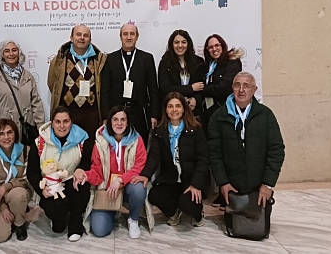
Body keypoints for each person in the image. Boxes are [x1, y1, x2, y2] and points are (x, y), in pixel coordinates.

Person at [208, 72, 285, 210]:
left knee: (259, 228)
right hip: (231, 188)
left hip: (259, 186)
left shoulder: (266, 115)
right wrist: (223, 183)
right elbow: (214, 153)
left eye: (246, 86)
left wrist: (267, 184)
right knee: (234, 227)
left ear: (254, 90)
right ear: (232, 88)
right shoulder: (218, 117)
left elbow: (276, 150)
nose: (241, 90)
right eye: (237, 85)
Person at [132, 92, 210, 227]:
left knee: (188, 204)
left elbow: (203, 159)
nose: (174, 110)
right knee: (154, 195)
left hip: (191, 179)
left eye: (178, 106)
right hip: (171, 179)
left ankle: (198, 214)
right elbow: (154, 156)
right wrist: (145, 175)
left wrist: (196, 184)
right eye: (170, 106)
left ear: (184, 108)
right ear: (165, 109)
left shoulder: (195, 129)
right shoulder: (159, 131)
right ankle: (173, 212)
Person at [74, 106, 152, 239]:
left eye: (123, 119)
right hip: (107, 190)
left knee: (139, 188)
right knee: (99, 230)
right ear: (109, 122)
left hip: (128, 186)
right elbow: (97, 172)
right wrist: (86, 176)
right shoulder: (100, 141)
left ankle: (133, 219)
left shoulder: (137, 139)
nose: (119, 123)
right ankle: (114, 210)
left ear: (128, 122)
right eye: (115, 119)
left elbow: (139, 166)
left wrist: (120, 180)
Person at [27, 106, 92, 242]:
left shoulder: (82, 139)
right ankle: (58, 219)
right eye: (57, 122)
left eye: (66, 121)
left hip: (71, 180)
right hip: (50, 185)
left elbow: (87, 161)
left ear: (71, 122)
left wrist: (81, 169)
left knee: (82, 187)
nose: (62, 126)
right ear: (51, 123)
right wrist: (41, 189)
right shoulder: (40, 142)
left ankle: (75, 223)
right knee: (55, 215)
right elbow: (32, 172)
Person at [100, 23, 159, 146]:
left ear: (137, 37)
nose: (128, 37)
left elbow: (153, 89)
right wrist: (106, 116)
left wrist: (154, 114)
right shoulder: (110, 59)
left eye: (132, 34)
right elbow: (105, 90)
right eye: (125, 34)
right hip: (117, 113)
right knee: (117, 146)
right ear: (120, 37)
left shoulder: (146, 58)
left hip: (139, 113)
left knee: (140, 146)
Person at [0, 40, 45, 144]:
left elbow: (36, 103)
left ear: (19, 53)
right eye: (7, 51)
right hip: (2, 132)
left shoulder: (28, 76)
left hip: (25, 132)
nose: (11, 54)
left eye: (14, 50)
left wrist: (40, 127)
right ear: (1, 54)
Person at [47, 24, 107, 138]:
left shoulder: (99, 59)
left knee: (89, 149)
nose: (82, 38)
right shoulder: (60, 59)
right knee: (69, 149)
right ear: (71, 38)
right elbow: (52, 84)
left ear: (90, 40)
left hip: (91, 115)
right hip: (68, 115)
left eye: (86, 35)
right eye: (78, 34)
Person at [0, 118, 33, 242]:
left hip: (19, 192)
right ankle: (11, 213)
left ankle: (19, 224)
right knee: (0, 237)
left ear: (15, 134)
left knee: (18, 194)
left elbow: (26, 180)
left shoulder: (26, 151)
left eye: (10, 132)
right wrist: (3, 207)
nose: (6, 137)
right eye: (1, 134)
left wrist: (6, 187)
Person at [199, 34, 243, 130]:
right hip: (208, 111)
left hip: (226, 111)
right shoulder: (207, 66)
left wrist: (203, 89)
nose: (214, 49)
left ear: (222, 46)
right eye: (210, 47)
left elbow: (224, 87)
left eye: (217, 45)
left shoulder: (232, 63)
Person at [158, 30, 205, 117]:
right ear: (172, 45)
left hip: (193, 111)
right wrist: (190, 88)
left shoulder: (198, 62)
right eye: (176, 42)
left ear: (188, 44)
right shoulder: (165, 63)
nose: (180, 46)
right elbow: (165, 88)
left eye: (183, 42)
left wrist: (195, 99)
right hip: (172, 110)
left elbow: (202, 87)